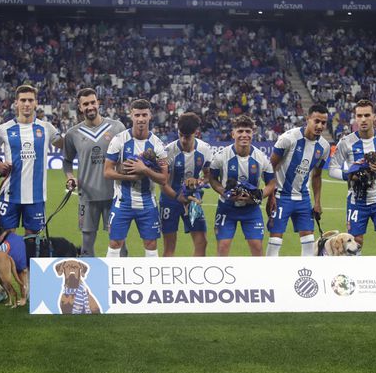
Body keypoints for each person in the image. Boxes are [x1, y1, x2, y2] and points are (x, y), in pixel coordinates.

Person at [328, 100, 376, 303]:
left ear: (374, 117)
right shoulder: (346, 142)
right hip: (356, 201)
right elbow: (332, 168)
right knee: (355, 244)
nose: (363, 119)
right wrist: (349, 175)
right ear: (355, 118)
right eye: (359, 116)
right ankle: (356, 286)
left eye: (367, 115)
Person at [0, 85, 62, 303]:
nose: (27, 104)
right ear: (16, 103)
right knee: (5, 244)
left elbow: (66, 145)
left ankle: (32, 288)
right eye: (23, 100)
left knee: (33, 244)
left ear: (36, 103)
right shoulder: (3, 129)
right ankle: (2, 287)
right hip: (10, 195)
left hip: (36, 197)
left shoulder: (47, 128)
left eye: (31, 100)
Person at [63, 88, 128, 257]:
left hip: (114, 195)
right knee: (86, 245)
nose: (90, 106)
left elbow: (127, 156)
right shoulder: (72, 134)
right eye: (85, 104)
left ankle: (120, 280)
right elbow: (67, 161)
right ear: (79, 107)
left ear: (98, 102)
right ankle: (92, 281)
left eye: (93, 102)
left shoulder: (117, 127)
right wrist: (70, 177)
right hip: (87, 196)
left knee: (119, 242)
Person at [102, 99, 169, 257]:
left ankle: (150, 282)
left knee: (151, 244)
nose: (140, 119)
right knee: (115, 243)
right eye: (137, 115)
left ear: (150, 116)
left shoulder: (158, 145)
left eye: (144, 115)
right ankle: (109, 281)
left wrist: (144, 169)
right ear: (131, 115)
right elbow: (107, 172)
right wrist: (130, 177)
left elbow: (164, 179)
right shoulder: (119, 140)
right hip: (122, 201)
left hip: (147, 202)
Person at [266, 104, 329, 258]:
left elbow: (317, 176)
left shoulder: (324, 147)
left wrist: (317, 202)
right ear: (308, 119)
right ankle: (268, 278)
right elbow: (269, 167)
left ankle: (305, 277)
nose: (320, 125)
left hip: (303, 198)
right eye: (316, 121)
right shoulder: (288, 138)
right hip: (282, 196)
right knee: (275, 240)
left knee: (309, 241)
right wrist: (271, 195)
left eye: (323, 122)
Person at [209, 115, 276, 256]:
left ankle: (258, 278)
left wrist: (258, 195)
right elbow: (212, 179)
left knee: (257, 247)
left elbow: (271, 183)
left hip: (251, 209)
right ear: (233, 134)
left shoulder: (261, 158)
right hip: (227, 208)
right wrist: (224, 192)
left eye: (248, 131)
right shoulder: (221, 156)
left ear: (253, 133)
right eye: (240, 131)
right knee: (223, 247)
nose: (244, 135)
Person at [159, 112, 213, 256]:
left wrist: (199, 182)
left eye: (187, 136)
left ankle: (194, 276)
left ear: (196, 133)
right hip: (170, 199)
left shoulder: (205, 150)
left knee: (202, 242)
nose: (183, 139)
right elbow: (163, 183)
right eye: (180, 134)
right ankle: (168, 278)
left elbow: (208, 176)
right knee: (169, 246)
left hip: (192, 200)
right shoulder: (168, 152)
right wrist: (178, 197)